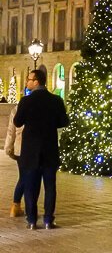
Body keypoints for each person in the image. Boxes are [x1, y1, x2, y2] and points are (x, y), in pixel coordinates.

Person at [13, 69, 69, 230]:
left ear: (36, 81)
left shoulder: (26, 101)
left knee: (31, 187)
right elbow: (63, 122)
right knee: (50, 186)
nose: (27, 82)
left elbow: (17, 122)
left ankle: (31, 220)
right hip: (50, 150)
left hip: (30, 152)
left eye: (29, 79)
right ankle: (48, 221)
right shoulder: (56, 100)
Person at [4, 103, 24, 217]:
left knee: (23, 177)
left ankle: (15, 206)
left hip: (19, 147)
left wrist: (8, 148)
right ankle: (20, 207)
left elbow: (11, 131)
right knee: (30, 178)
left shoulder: (17, 108)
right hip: (32, 148)